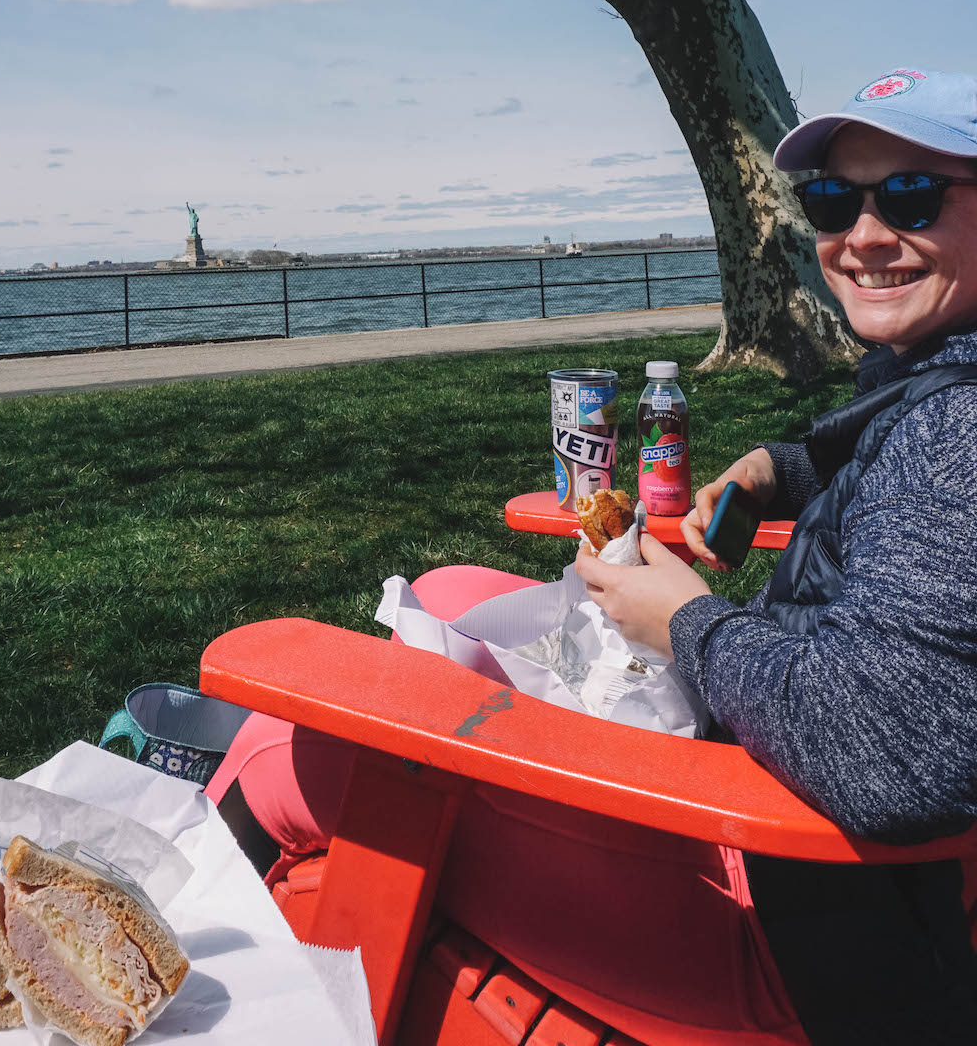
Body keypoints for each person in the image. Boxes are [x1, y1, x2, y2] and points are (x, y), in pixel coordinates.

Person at [207, 66, 977, 1046]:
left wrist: (688, 622)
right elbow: (900, 486)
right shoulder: (937, 385)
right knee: (448, 592)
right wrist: (772, 472)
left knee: (302, 754)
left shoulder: (959, 430)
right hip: (799, 839)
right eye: (833, 199)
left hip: (808, 951)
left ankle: (148, 964)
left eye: (910, 194)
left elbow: (893, 763)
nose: (863, 234)